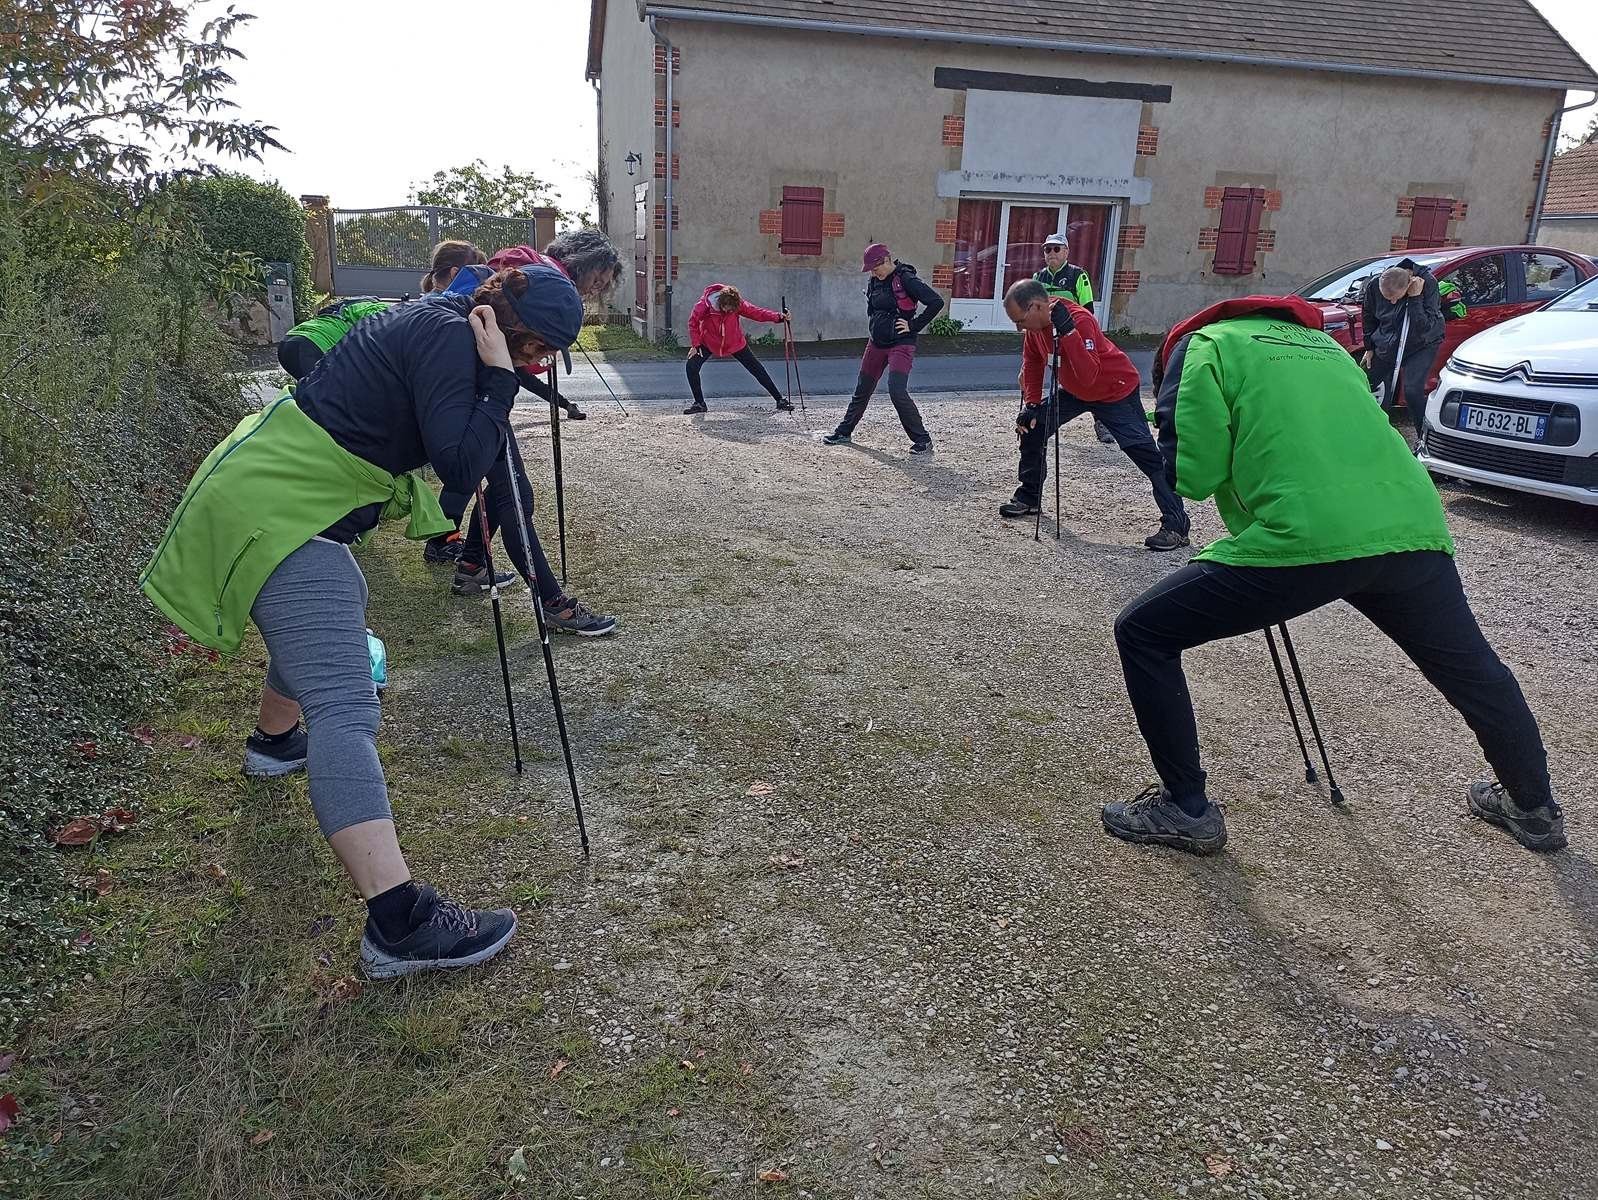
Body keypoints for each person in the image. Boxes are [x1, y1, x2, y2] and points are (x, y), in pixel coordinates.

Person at [140, 264, 586, 976]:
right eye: (536, 351)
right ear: (511, 330)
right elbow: (461, 462)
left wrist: (498, 377)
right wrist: (500, 383)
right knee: (346, 706)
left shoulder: (438, 319)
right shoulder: (451, 342)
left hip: (270, 493)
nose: (536, 365)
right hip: (278, 515)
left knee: (336, 604)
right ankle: (397, 924)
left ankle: (273, 741)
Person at [1101, 294, 1564, 856]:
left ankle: (1186, 808)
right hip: (1410, 523)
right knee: (1472, 670)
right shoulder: (1326, 346)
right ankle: (1533, 807)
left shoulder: (1206, 347)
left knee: (1144, 631)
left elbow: (1192, 472)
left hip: (1304, 535)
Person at [429, 263, 618, 636]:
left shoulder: (523, 286)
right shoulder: (521, 295)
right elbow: (458, 465)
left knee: (508, 491)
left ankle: (471, 567)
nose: (597, 286)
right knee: (515, 496)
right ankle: (552, 604)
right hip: (477, 398)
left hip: (483, 396)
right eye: (597, 279)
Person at [998, 279, 1190, 551]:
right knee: (1032, 427)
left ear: (1037, 306)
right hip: (1076, 391)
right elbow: (1032, 364)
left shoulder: (1078, 320)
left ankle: (1177, 525)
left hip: (1115, 391)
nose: (1019, 327)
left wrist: (1068, 334)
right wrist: (1030, 404)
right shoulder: (1035, 329)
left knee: (1146, 455)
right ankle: (1029, 498)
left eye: (1020, 320)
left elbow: (1088, 375)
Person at [823, 243, 941, 454]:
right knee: (862, 389)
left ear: (887, 261)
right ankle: (844, 431)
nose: (874, 273)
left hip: (901, 344)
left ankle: (922, 440)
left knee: (897, 390)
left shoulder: (906, 278)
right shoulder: (874, 281)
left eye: (875, 268)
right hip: (876, 343)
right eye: (871, 270)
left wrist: (913, 326)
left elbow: (935, 302)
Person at [1034, 231, 1114, 446]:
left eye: (1056, 249)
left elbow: (1087, 311)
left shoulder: (1078, 275)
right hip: (1050, 338)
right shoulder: (1038, 277)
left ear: (1066, 251)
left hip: (1075, 336)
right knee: (1058, 378)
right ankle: (1045, 421)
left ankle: (1102, 421)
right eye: (1047, 249)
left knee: (1090, 378)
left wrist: (1078, 334)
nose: (1051, 253)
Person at [1359, 259, 1444, 435]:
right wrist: (1369, 347)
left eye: (1394, 298)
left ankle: (1423, 438)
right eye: (1386, 298)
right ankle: (1358, 426)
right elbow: (1368, 315)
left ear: (1406, 287)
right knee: (1362, 381)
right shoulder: (1376, 284)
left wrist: (1415, 298)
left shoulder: (1428, 283)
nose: (1391, 302)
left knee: (1412, 391)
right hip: (1388, 339)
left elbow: (1424, 327)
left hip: (1422, 343)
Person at [682, 284, 793, 415]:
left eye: (732, 311)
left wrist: (779, 317)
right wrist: (696, 345)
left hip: (735, 342)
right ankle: (699, 404)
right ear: (721, 302)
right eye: (727, 309)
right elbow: (693, 322)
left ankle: (780, 400)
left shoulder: (736, 304)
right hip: (709, 341)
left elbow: (756, 312)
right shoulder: (704, 306)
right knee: (691, 366)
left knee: (756, 368)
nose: (729, 312)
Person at [277, 296, 390, 381]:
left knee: (310, 398)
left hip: (288, 342)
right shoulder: (373, 306)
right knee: (326, 401)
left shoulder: (345, 308)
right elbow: (387, 323)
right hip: (312, 346)